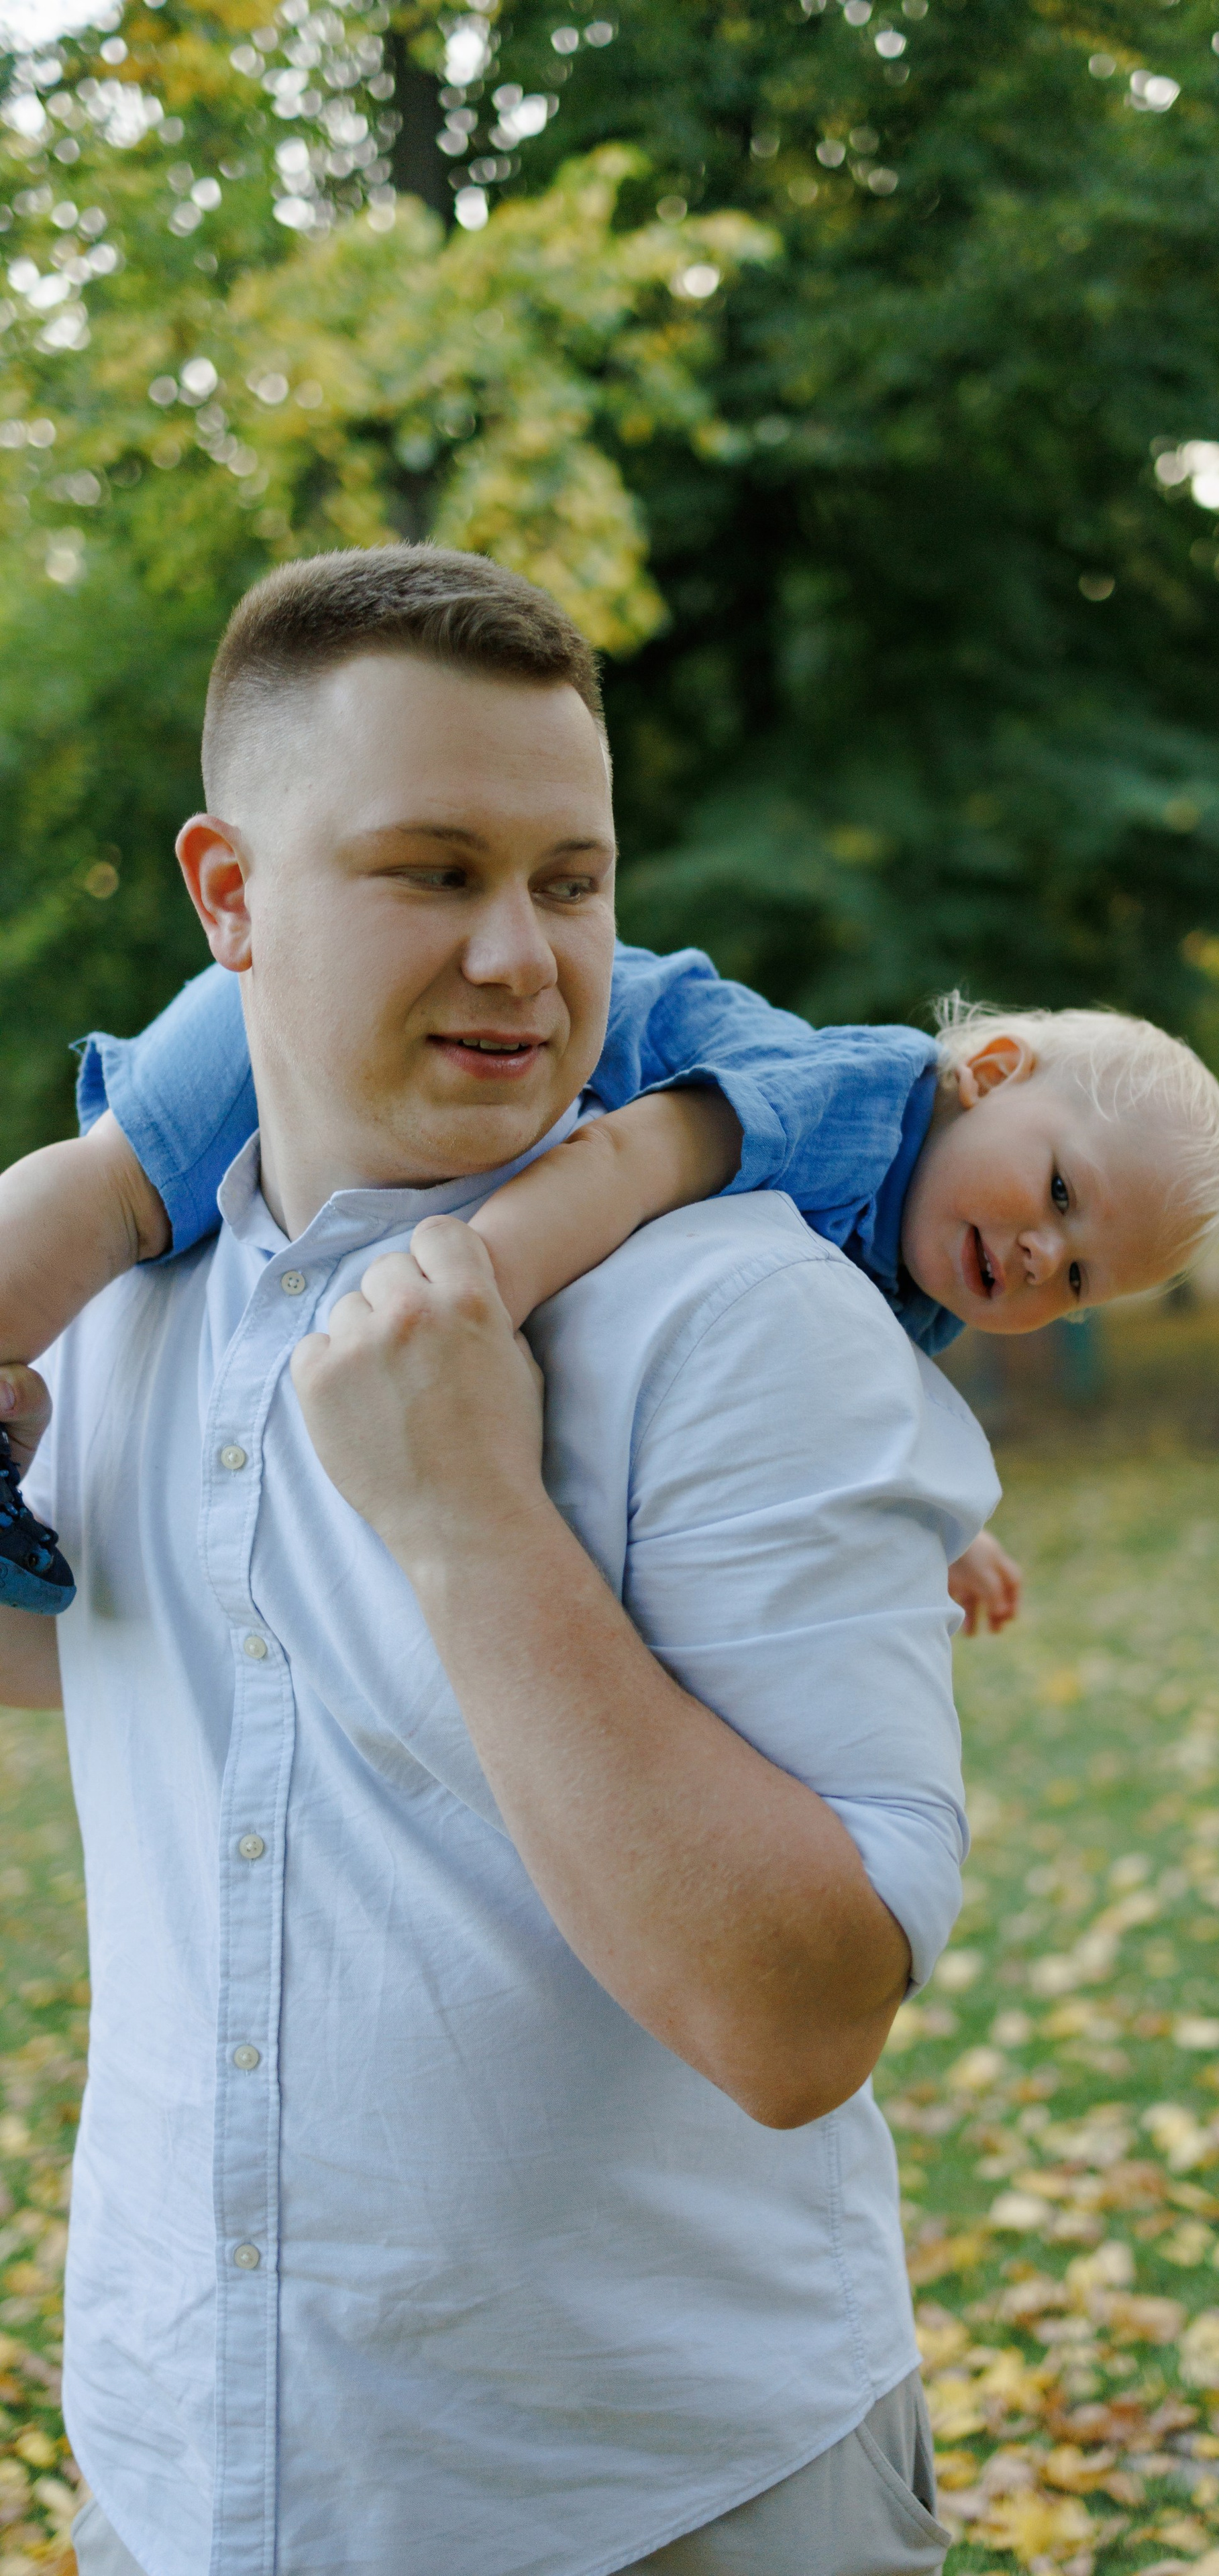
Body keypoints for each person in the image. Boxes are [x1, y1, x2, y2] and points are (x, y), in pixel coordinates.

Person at [0, 542, 1002, 2575]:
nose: (526, 962)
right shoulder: (115, 1307)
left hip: (663, 2499)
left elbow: (798, 2022)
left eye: (570, 881)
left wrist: (466, 1517)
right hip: (193, 2474)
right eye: (432, 873)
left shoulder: (738, 1318)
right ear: (229, 898)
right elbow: (120, 1656)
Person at [0, 861, 1219, 1638]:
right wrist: (471, 1295)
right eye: (1062, 1192)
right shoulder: (857, 1099)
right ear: (993, 1073)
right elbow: (630, 1158)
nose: (1037, 1256)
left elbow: (869, 1400)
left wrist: (942, 1531)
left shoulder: (924, 1276)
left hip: (452, 1069)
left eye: (1081, 1277)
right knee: (132, 1191)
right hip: (402, 1004)